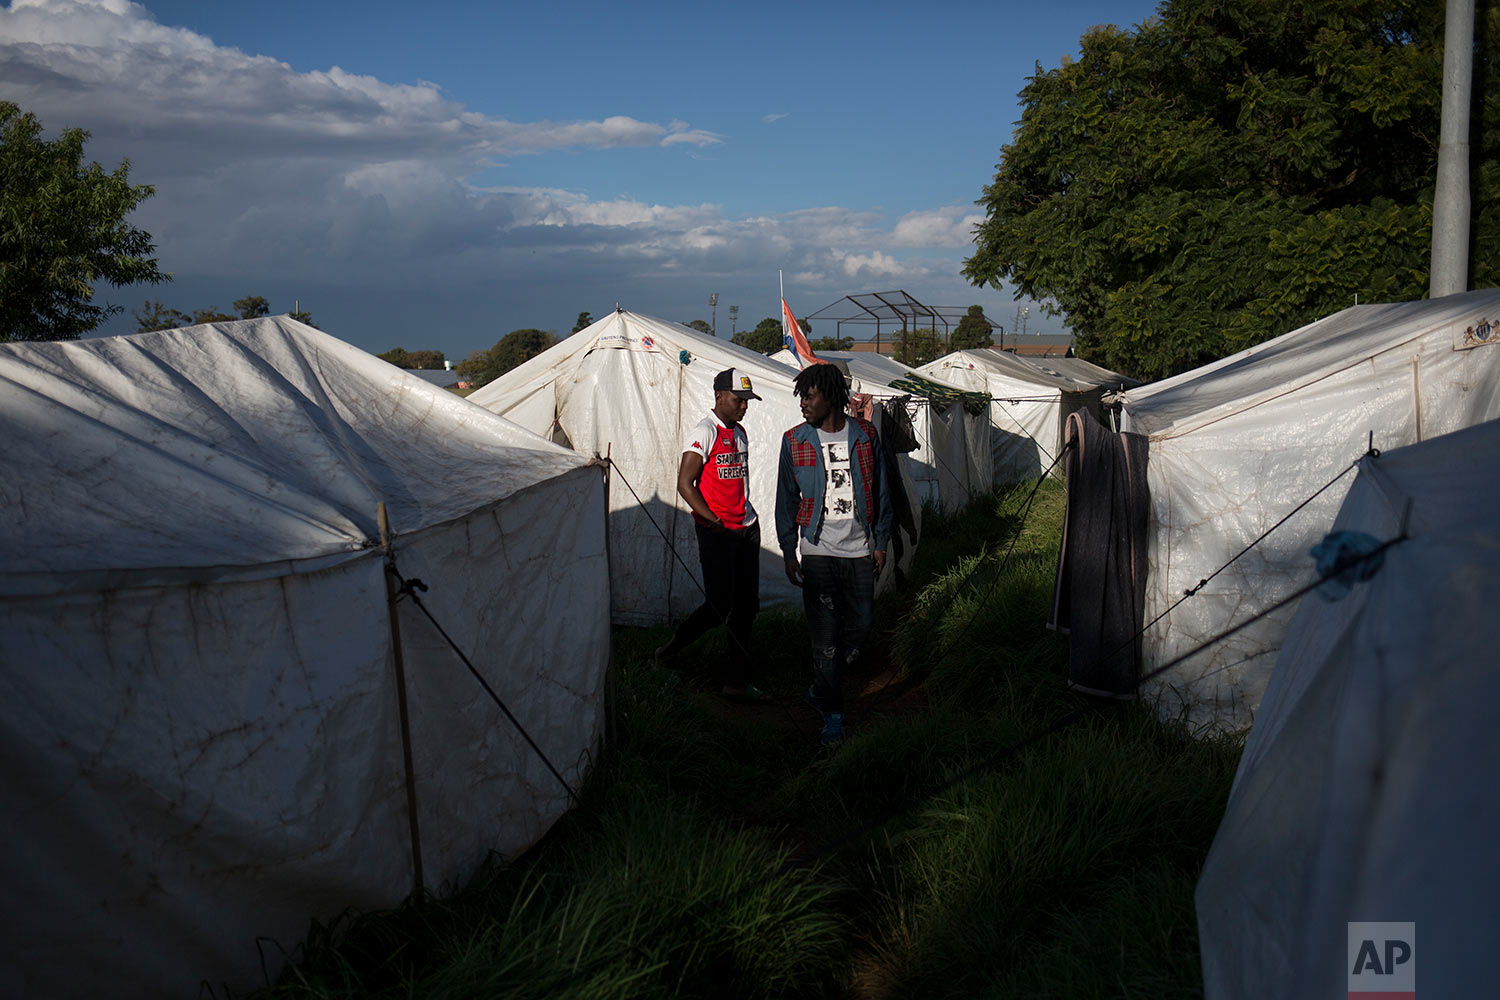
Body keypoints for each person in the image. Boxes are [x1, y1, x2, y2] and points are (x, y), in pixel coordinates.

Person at [775, 362, 891, 744]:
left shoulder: (866, 435)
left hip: (859, 550)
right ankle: (834, 713)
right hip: (817, 550)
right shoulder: (794, 440)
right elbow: (786, 500)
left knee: (860, 628)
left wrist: (881, 543)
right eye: (802, 397)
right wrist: (790, 551)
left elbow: (881, 493)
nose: (804, 404)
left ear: (831, 395)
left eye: (810, 396)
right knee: (824, 638)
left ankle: (824, 687)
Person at [654, 367, 771, 702]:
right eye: (738, 399)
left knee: (747, 606)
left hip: (746, 528)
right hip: (718, 532)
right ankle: (669, 650)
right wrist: (712, 520)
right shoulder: (704, 431)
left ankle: (735, 680)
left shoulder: (741, 432)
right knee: (719, 605)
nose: (744, 406)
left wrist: (743, 519)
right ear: (719, 396)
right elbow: (684, 484)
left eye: (747, 401)